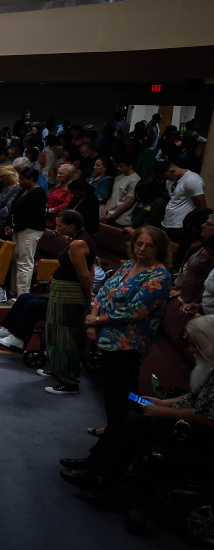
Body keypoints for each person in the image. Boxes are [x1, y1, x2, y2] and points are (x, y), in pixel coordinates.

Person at [59, 319, 214, 496]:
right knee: (132, 401)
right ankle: (93, 462)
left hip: (198, 432)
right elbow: (195, 396)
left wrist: (163, 411)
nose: (191, 350)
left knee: (135, 421)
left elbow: (207, 418)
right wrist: (163, 403)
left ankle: (100, 477)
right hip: (181, 414)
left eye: (195, 345)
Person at [84, 226, 173, 430]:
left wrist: (96, 321)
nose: (142, 249)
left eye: (149, 246)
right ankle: (115, 429)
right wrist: (93, 318)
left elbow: (134, 311)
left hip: (129, 343)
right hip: (109, 337)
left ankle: (120, 434)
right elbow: (104, 291)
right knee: (112, 389)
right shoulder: (129, 265)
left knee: (123, 391)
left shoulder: (160, 276)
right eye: (139, 243)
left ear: (159, 249)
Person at [40, 210, 98, 395]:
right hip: (63, 294)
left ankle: (69, 382)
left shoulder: (78, 244)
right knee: (57, 333)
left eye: (59, 225)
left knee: (66, 337)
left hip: (69, 295)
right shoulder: (78, 239)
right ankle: (59, 368)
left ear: (71, 226)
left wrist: (88, 296)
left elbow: (84, 274)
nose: (56, 228)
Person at [8, 167, 48, 298]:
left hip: (30, 230)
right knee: (16, 260)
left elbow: (29, 215)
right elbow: (15, 207)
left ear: (31, 179)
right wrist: (10, 225)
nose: (19, 182)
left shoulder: (38, 193)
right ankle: (13, 291)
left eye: (22, 179)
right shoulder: (24, 190)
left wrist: (14, 229)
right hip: (18, 228)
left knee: (25, 263)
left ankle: (23, 296)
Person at [161, 157, 206, 265]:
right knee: (165, 253)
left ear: (172, 171)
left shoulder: (192, 180)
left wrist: (195, 223)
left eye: (166, 176)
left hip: (180, 224)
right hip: (168, 222)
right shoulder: (170, 180)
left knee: (178, 255)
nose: (166, 180)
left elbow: (201, 207)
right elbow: (175, 198)